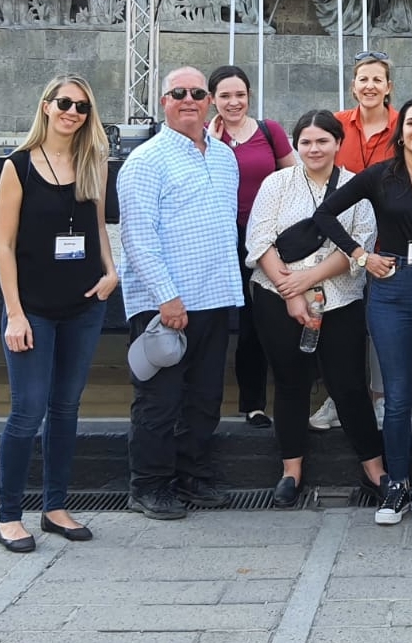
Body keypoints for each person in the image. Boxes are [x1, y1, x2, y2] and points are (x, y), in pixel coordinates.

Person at [314, 97, 412, 525]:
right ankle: (395, 484)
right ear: (401, 133)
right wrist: (362, 255)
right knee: (397, 396)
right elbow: (325, 214)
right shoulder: (380, 176)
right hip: (391, 289)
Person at [0, 76, 119, 552]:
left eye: (82, 106)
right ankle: (8, 516)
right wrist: (15, 314)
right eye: (64, 103)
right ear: (45, 106)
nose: (72, 112)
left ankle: (55, 506)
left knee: (66, 408)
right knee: (27, 411)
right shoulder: (18, 166)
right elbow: (3, 246)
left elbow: (98, 226)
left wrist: (111, 271)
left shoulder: (94, 162)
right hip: (33, 310)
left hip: (84, 304)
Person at [118, 67, 243, 520]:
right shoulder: (145, 161)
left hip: (213, 296)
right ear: (164, 101)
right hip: (164, 303)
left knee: (204, 397)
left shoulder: (224, 158)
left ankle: (191, 476)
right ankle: (149, 486)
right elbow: (137, 236)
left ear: (208, 100)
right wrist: (167, 297)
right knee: (158, 400)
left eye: (196, 93)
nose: (188, 99)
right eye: (178, 93)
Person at [244, 110, 384, 509]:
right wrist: (290, 291)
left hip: (339, 296)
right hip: (277, 294)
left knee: (349, 385)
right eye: (305, 141)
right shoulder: (278, 183)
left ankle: (374, 468)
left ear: (338, 143)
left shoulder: (357, 186)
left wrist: (306, 282)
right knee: (290, 383)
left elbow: (360, 244)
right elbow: (259, 241)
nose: (314, 148)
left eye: (322, 140)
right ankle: (291, 470)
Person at [208, 65, 295, 430]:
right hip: (222, 240)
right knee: (222, 324)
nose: (233, 102)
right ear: (212, 99)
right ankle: (237, 404)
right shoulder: (204, 137)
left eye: (240, 94)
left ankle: (269, 403)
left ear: (249, 96)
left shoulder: (268, 131)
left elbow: (294, 179)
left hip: (266, 240)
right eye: (225, 96)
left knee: (262, 322)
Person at [318, 50, 399, 432]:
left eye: (376, 80)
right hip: (342, 242)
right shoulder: (335, 124)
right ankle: (341, 396)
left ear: (388, 88)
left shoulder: (404, 125)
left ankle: (382, 399)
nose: (369, 86)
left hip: (389, 241)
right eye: (363, 79)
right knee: (343, 323)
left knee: (381, 322)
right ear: (353, 86)